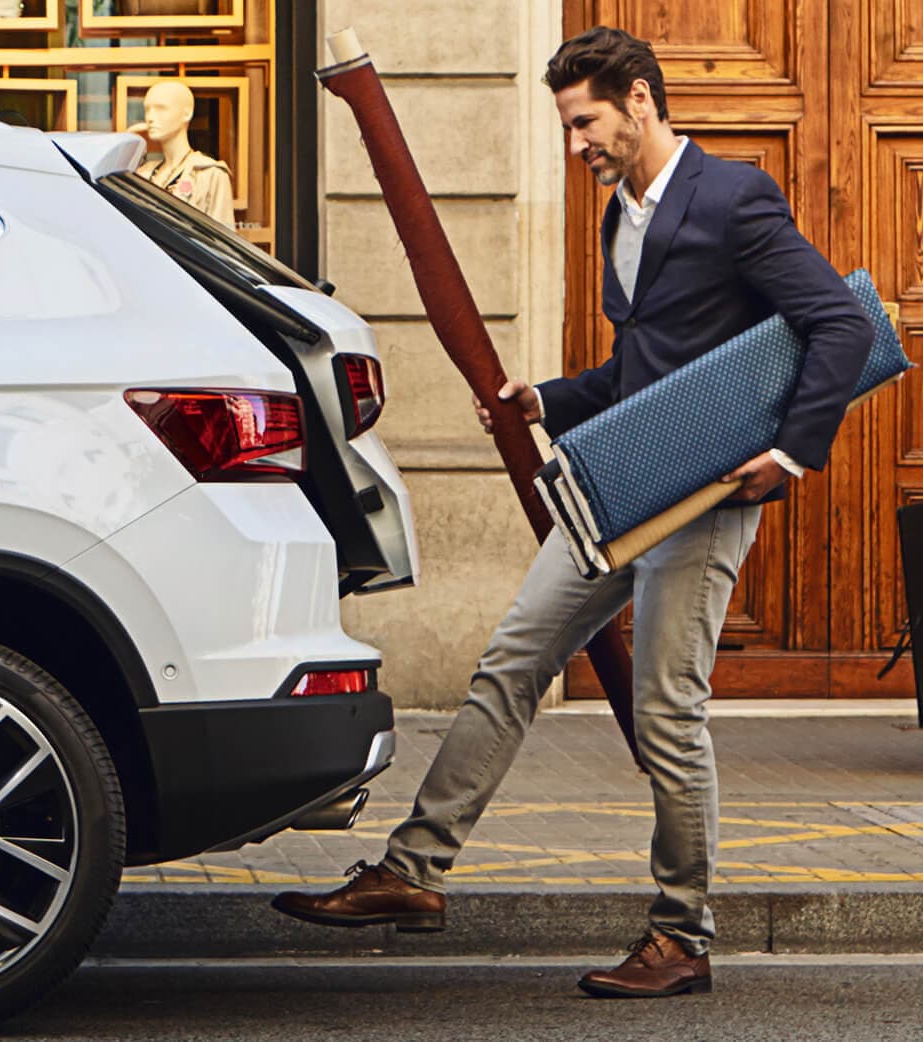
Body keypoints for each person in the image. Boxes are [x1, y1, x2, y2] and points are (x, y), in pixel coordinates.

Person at [272, 25, 873, 998]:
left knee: (669, 711)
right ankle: (413, 873)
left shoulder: (731, 196)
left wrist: (792, 449)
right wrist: (544, 400)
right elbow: (639, 367)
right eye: (564, 125)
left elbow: (837, 323)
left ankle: (681, 936)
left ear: (639, 99)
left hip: (705, 497)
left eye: (584, 120)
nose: (575, 143)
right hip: (618, 488)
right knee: (511, 661)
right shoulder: (617, 217)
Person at [129, 80, 236, 228]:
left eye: (161, 108)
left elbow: (223, 241)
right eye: (147, 109)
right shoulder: (144, 173)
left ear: (186, 113)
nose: (150, 117)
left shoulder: (210, 174)